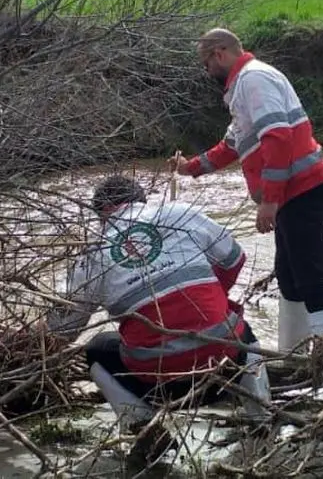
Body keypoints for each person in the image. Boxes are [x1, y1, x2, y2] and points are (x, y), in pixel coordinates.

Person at [169, 27, 323, 401]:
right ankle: (294, 364)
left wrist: (269, 201)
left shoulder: (254, 80)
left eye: (207, 63)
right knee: (290, 279)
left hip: (302, 192)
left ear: (220, 53)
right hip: (294, 194)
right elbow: (232, 145)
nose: (207, 72)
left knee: (313, 281)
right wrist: (189, 168)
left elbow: (278, 139)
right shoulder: (243, 88)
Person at [41, 175, 272, 470]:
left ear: (101, 214)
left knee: (97, 349)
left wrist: (33, 339)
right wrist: (212, 296)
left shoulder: (93, 252)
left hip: (159, 385)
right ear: (140, 200)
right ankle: (261, 417)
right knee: (237, 324)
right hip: (224, 369)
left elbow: (63, 328)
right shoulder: (178, 213)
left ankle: (148, 432)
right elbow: (234, 259)